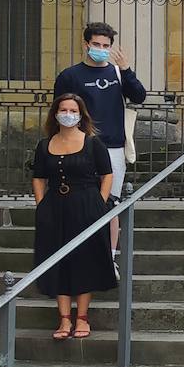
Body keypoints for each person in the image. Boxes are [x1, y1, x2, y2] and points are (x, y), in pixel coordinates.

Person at [53, 21, 147, 258]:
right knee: (77, 201)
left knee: (111, 203)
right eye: (96, 44)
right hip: (79, 147)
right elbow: (59, 111)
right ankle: (75, 254)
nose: (101, 49)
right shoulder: (69, 76)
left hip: (113, 147)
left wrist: (126, 70)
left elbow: (139, 96)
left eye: (106, 45)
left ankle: (109, 257)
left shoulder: (117, 73)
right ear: (86, 44)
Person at [32, 93, 118, 340]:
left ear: (80, 115)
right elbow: (38, 177)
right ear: (55, 113)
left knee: (84, 259)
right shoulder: (44, 145)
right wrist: (41, 205)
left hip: (86, 205)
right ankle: (64, 318)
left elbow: (107, 174)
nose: (68, 114)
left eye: (73, 110)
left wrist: (99, 202)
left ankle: (81, 317)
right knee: (57, 259)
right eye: (63, 110)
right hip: (55, 207)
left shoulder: (92, 143)